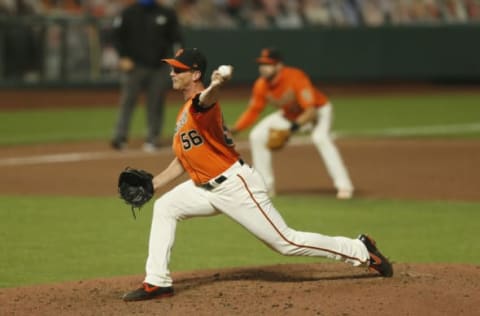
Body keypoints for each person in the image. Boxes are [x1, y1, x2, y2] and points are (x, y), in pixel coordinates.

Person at [121, 48, 393, 302]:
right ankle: (157, 281)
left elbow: (208, 99)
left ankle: (361, 250)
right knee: (165, 207)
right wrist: (154, 184)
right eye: (171, 69)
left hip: (235, 186)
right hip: (205, 188)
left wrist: (217, 84)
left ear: (194, 75)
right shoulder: (184, 114)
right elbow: (183, 160)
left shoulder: (200, 105)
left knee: (286, 242)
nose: (172, 73)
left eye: (178, 70)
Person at [231, 48, 354, 199]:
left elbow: (310, 111)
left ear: (279, 66)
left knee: (320, 138)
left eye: (268, 64)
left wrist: (291, 129)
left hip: (319, 111)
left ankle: (344, 186)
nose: (263, 67)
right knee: (257, 135)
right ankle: (266, 187)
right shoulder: (261, 85)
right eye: (261, 64)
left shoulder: (296, 77)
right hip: (289, 115)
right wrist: (236, 129)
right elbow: (254, 110)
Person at [111, 0, 183, 152]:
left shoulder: (166, 13)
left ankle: (153, 137)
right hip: (134, 66)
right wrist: (122, 57)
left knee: (156, 104)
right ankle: (120, 137)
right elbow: (116, 36)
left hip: (159, 66)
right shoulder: (129, 12)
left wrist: (176, 59)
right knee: (127, 102)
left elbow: (177, 39)